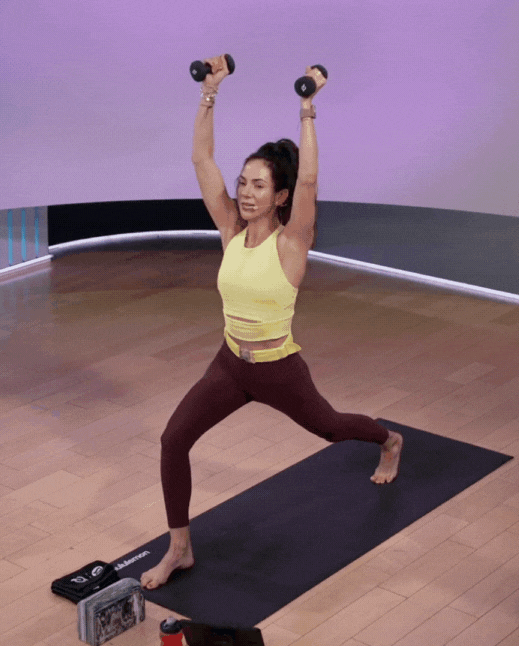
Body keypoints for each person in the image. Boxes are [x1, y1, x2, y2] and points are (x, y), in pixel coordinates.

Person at [140, 56, 404, 590]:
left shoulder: (291, 244)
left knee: (329, 428)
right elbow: (200, 158)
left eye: (258, 185)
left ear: (280, 197)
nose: (245, 191)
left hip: (279, 368)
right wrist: (209, 94)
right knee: (173, 441)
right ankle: (181, 548)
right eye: (243, 182)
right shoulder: (230, 230)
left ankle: (388, 439)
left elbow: (309, 177)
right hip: (231, 364)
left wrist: (307, 110)